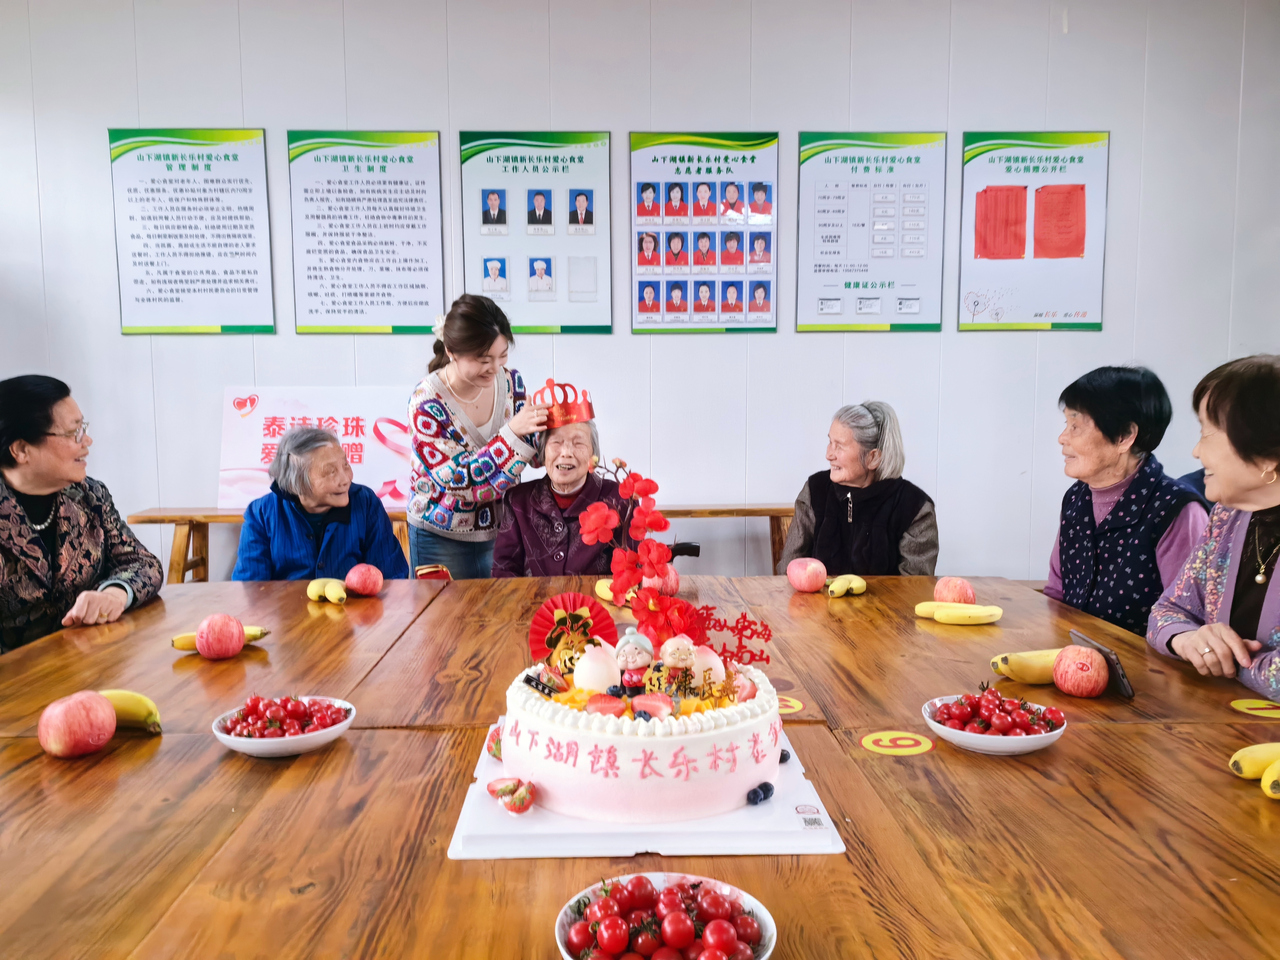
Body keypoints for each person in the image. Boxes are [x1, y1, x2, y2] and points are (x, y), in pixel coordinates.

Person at [1149, 356, 1280, 697]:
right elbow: (1168, 611)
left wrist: (1226, 660)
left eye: (1207, 433)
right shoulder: (1227, 516)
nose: (1195, 451)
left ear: (1269, 458)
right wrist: (1189, 639)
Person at [0, 376, 162, 651]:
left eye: (83, 428)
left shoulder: (90, 496)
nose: (87, 441)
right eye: (73, 433)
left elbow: (144, 563)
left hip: (89, 663)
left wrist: (114, 593)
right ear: (21, 450)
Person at [1045, 366, 1208, 634]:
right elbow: (1056, 591)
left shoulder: (1176, 510)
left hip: (1147, 670)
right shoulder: (1077, 497)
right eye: (1066, 425)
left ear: (1124, 437)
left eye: (1076, 426)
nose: (1062, 438)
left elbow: (1190, 621)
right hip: (1074, 659)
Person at [407, 295, 548, 578]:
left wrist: (559, 440)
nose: (495, 368)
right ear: (451, 351)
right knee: (444, 621)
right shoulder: (426, 403)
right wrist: (511, 433)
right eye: (484, 359)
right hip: (440, 536)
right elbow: (457, 480)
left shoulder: (511, 382)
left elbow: (530, 447)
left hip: (504, 532)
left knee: (501, 620)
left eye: (503, 356)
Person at [778, 401, 938, 576]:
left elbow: (913, 589)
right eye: (830, 442)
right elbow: (789, 571)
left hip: (885, 604)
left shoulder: (915, 508)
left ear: (873, 458)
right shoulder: (814, 490)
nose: (829, 455)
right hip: (816, 603)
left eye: (839, 446)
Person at [233, 428, 409, 582]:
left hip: (356, 616)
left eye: (345, 465)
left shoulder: (365, 503)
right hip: (285, 616)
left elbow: (391, 578)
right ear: (297, 483)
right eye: (330, 471)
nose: (346, 478)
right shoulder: (261, 514)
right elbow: (251, 589)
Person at [493, 416, 633, 577]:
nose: (566, 453)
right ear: (543, 453)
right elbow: (503, 570)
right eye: (556, 442)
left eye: (578, 443)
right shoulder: (518, 500)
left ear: (593, 455)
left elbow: (631, 572)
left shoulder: (620, 498)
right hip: (532, 601)